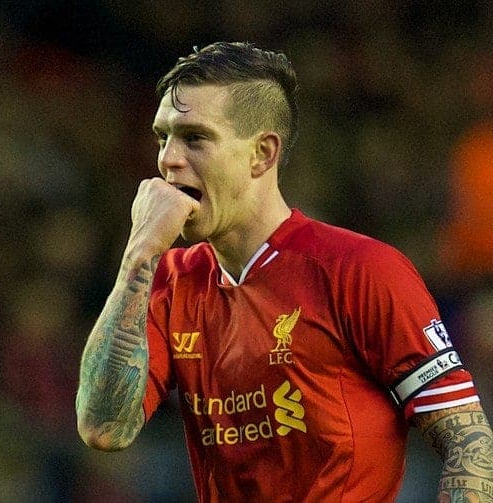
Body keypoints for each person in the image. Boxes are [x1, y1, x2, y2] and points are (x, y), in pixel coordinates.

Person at [76, 42, 493, 502]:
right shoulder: (169, 279)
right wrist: (139, 256)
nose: (168, 159)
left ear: (262, 153)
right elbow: (103, 428)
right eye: (163, 137)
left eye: (194, 138)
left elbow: (467, 441)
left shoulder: (359, 270)